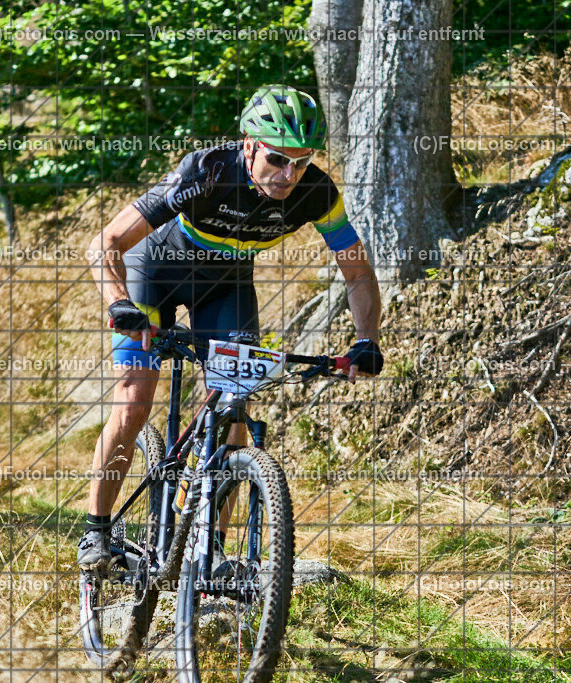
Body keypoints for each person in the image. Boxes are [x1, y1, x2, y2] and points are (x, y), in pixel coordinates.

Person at [79, 84, 384, 570]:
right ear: (248, 144)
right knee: (134, 400)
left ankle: (210, 552)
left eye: (301, 162)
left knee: (233, 409)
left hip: (227, 288)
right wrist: (118, 304)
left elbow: (357, 272)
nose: (288, 175)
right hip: (154, 278)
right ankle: (96, 532)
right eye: (277, 159)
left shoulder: (318, 193)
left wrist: (366, 339)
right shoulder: (208, 171)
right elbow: (107, 242)